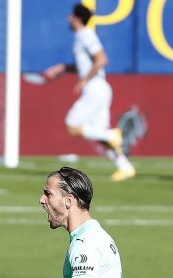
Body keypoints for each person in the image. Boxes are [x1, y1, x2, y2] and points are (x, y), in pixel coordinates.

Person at [42, 5, 135, 182]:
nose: (68, 18)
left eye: (71, 15)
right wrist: (62, 68)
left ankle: (112, 135)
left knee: (72, 126)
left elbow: (102, 59)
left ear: (77, 18)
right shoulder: (81, 36)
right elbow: (85, 64)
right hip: (98, 88)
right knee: (98, 134)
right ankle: (125, 167)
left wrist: (84, 80)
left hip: (95, 88)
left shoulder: (85, 35)